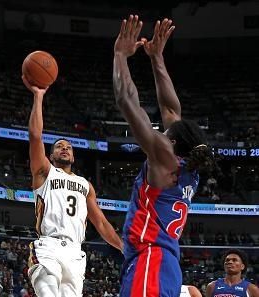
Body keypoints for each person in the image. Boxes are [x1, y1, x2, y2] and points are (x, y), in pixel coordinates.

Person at [113, 15, 217, 297]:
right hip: (165, 264)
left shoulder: (164, 158)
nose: (163, 126)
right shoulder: (187, 168)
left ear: (171, 141)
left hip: (151, 258)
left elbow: (126, 99)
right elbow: (172, 111)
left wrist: (120, 55)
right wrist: (156, 57)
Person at [22, 75, 123, 297]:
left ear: (74, 157)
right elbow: (35, 136)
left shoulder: (85, 185)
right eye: (59, 147)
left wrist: (126, 249)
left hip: (76, 253)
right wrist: (38, 97)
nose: (65, 149)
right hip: (48, 245)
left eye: (68, 147)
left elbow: (102, 224)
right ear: (51, 155)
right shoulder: (44, 172)